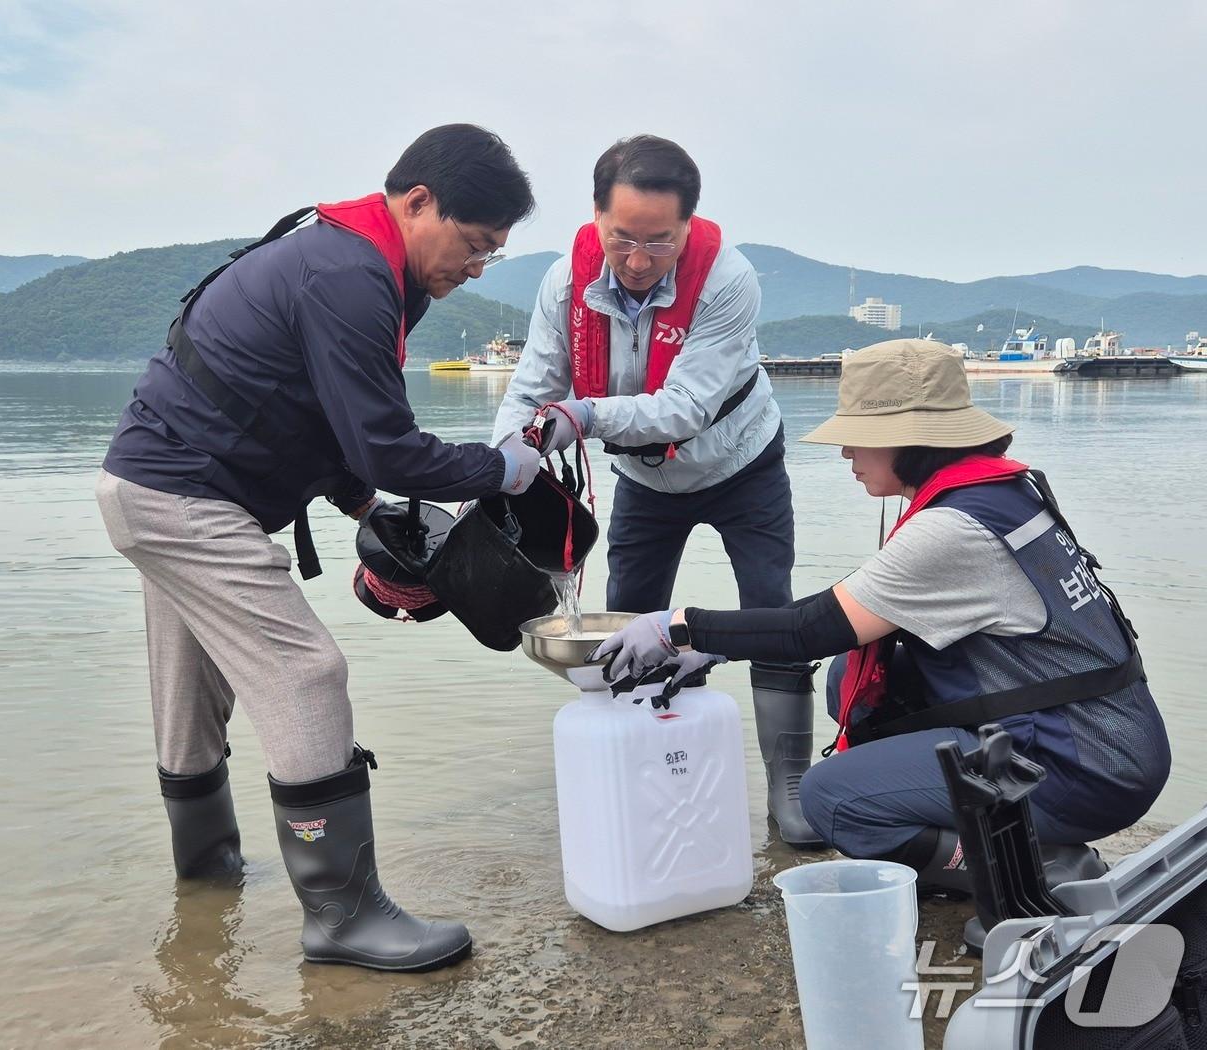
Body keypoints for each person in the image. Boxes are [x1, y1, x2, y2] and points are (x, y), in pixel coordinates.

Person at [96, 124, 541, 974]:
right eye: (476, 244)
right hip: (185, 499)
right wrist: (502, 468)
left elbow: (314, 415)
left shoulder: (350, 259)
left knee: (191, 694)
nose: (478, 267)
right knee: (307, 673)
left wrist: (365, 505)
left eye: (493, 253)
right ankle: (343, 916)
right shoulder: (349, 274)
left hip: (156, 488)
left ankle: (206, 881)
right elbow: (388, 446)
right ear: (419, 203)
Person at [590, 339, 1171, 895]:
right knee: (853, 676)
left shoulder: (951, 529)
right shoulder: (1003, 491)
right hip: (1098, 737)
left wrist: (679, 628)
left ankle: (1034, 868)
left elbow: (809, 630)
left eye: (859, 438)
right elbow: (846, 611)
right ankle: (1003, 832)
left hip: (1079, 768)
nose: (846, 453)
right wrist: (717, 645)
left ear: (908, 440)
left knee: (832, 799)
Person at [492, 135, 823, 848]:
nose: (639, 261)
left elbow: (685, 408)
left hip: (742, 465)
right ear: (596, 216)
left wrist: (581, 417)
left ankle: (790, 788)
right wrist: (504, 461)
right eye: (622, 238)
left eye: (659, 242)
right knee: (629, 620)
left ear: (688, 225)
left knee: (772, 609)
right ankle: (650, 771)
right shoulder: (565, 282)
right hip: (644, 478)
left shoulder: (729, 280)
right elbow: (531, 388)